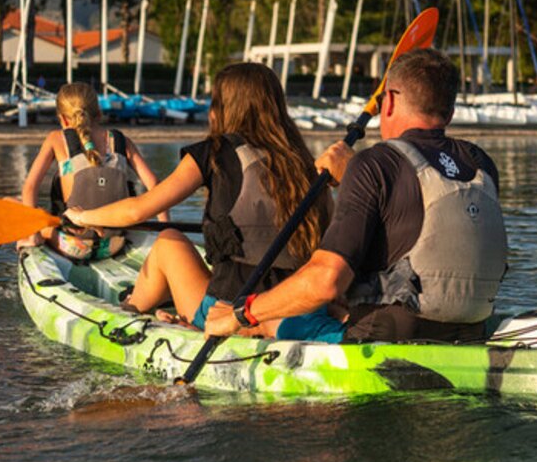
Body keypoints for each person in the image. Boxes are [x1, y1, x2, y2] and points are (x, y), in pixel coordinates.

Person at [196, 49, 509, 343]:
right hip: (471, 332)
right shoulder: (480, 163)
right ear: (450, 112)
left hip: (384, 338)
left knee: (276, 321)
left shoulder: (375, 163)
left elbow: (326, 280)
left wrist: (241, 314)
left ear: (388, 102)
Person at [64, 63, 331, 335]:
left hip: (230, 312)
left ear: (224, 108)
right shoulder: (303, 161)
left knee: (168, 241)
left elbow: (138, 211)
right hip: (297, 305)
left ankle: (129, 311)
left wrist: (82, 217)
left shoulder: (213, 153)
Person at [0, 82, 161, 288]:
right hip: (114, 244)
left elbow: (30, 188)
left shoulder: (56, 139)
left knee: (8, 205)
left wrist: (32, 234)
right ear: (98, 113)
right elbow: (155, 187)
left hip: (72, 245)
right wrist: (164, 230)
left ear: (63, 119)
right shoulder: (121, 141)